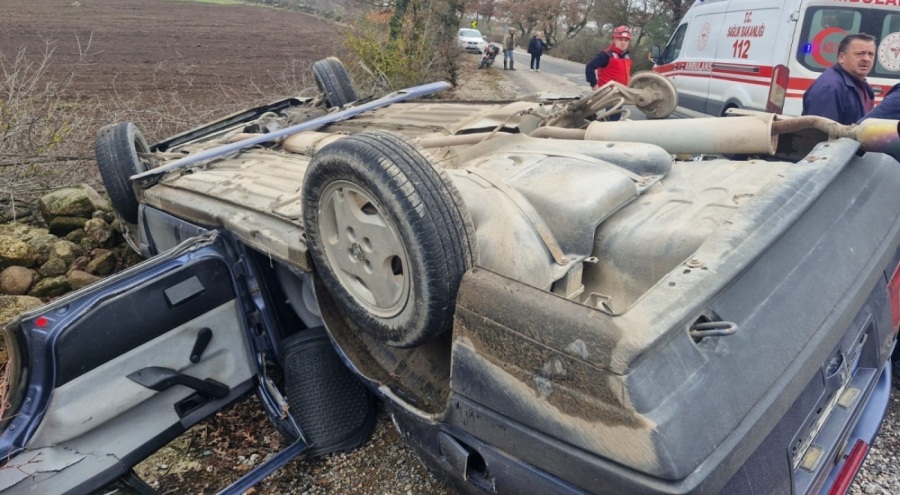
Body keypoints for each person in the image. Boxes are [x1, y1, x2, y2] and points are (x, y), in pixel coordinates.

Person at [802, 33, 876, 125]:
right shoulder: (830, 88)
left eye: (871, 54)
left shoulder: (860, 84)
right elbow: (821, 134)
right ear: (842, 57)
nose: (866, 59)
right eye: (859, 54)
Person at [585, 25, 633, 90]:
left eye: (626, 40)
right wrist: (594, 85)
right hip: (607, 95)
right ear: (614, 40)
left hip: (622, 94)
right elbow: (589, 66)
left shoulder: (627, 57)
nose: (623, 43)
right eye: (620, 39)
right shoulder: (606, 55)